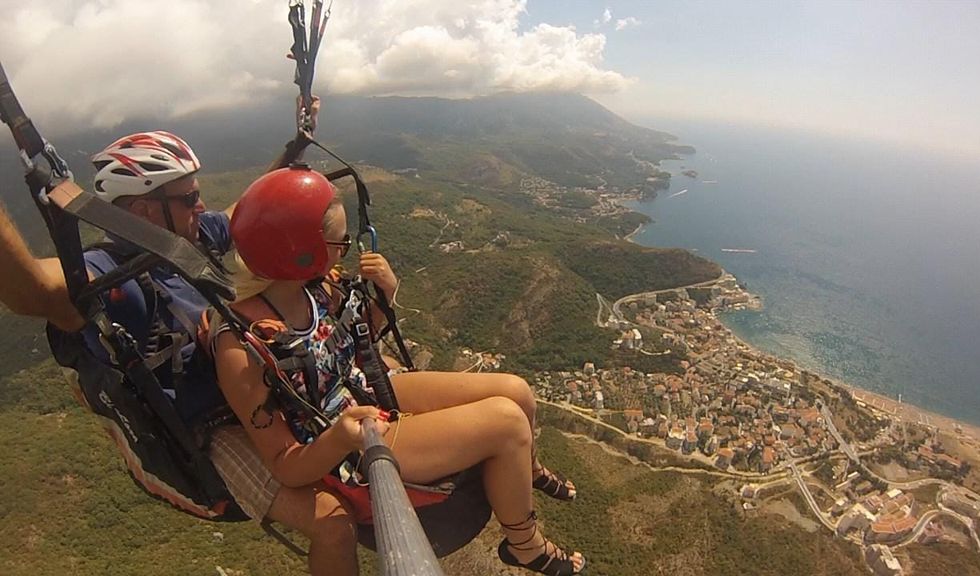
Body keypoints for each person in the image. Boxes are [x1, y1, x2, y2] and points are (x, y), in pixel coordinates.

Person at [0, 107, 370, 576]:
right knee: (332, 524)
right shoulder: (117, 280)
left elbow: (244, 214)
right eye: (189, 197)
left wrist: (296, 146)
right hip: (214, 433)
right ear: (142, 211)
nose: (201, 205)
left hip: (257, 393)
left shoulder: (193, 238)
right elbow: (33, 289)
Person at [213, 165, 587, 575]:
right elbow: (285, 463)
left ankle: (527, 470)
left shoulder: (313, 290)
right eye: (339, 240)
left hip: (363, 391)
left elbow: (345, 343)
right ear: (300, 251)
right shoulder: (241, 345)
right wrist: (339, 438)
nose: (346, 249)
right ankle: (525, 545)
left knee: (517, 391)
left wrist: (387, 293)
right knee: (508, 423)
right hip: (345, 437)